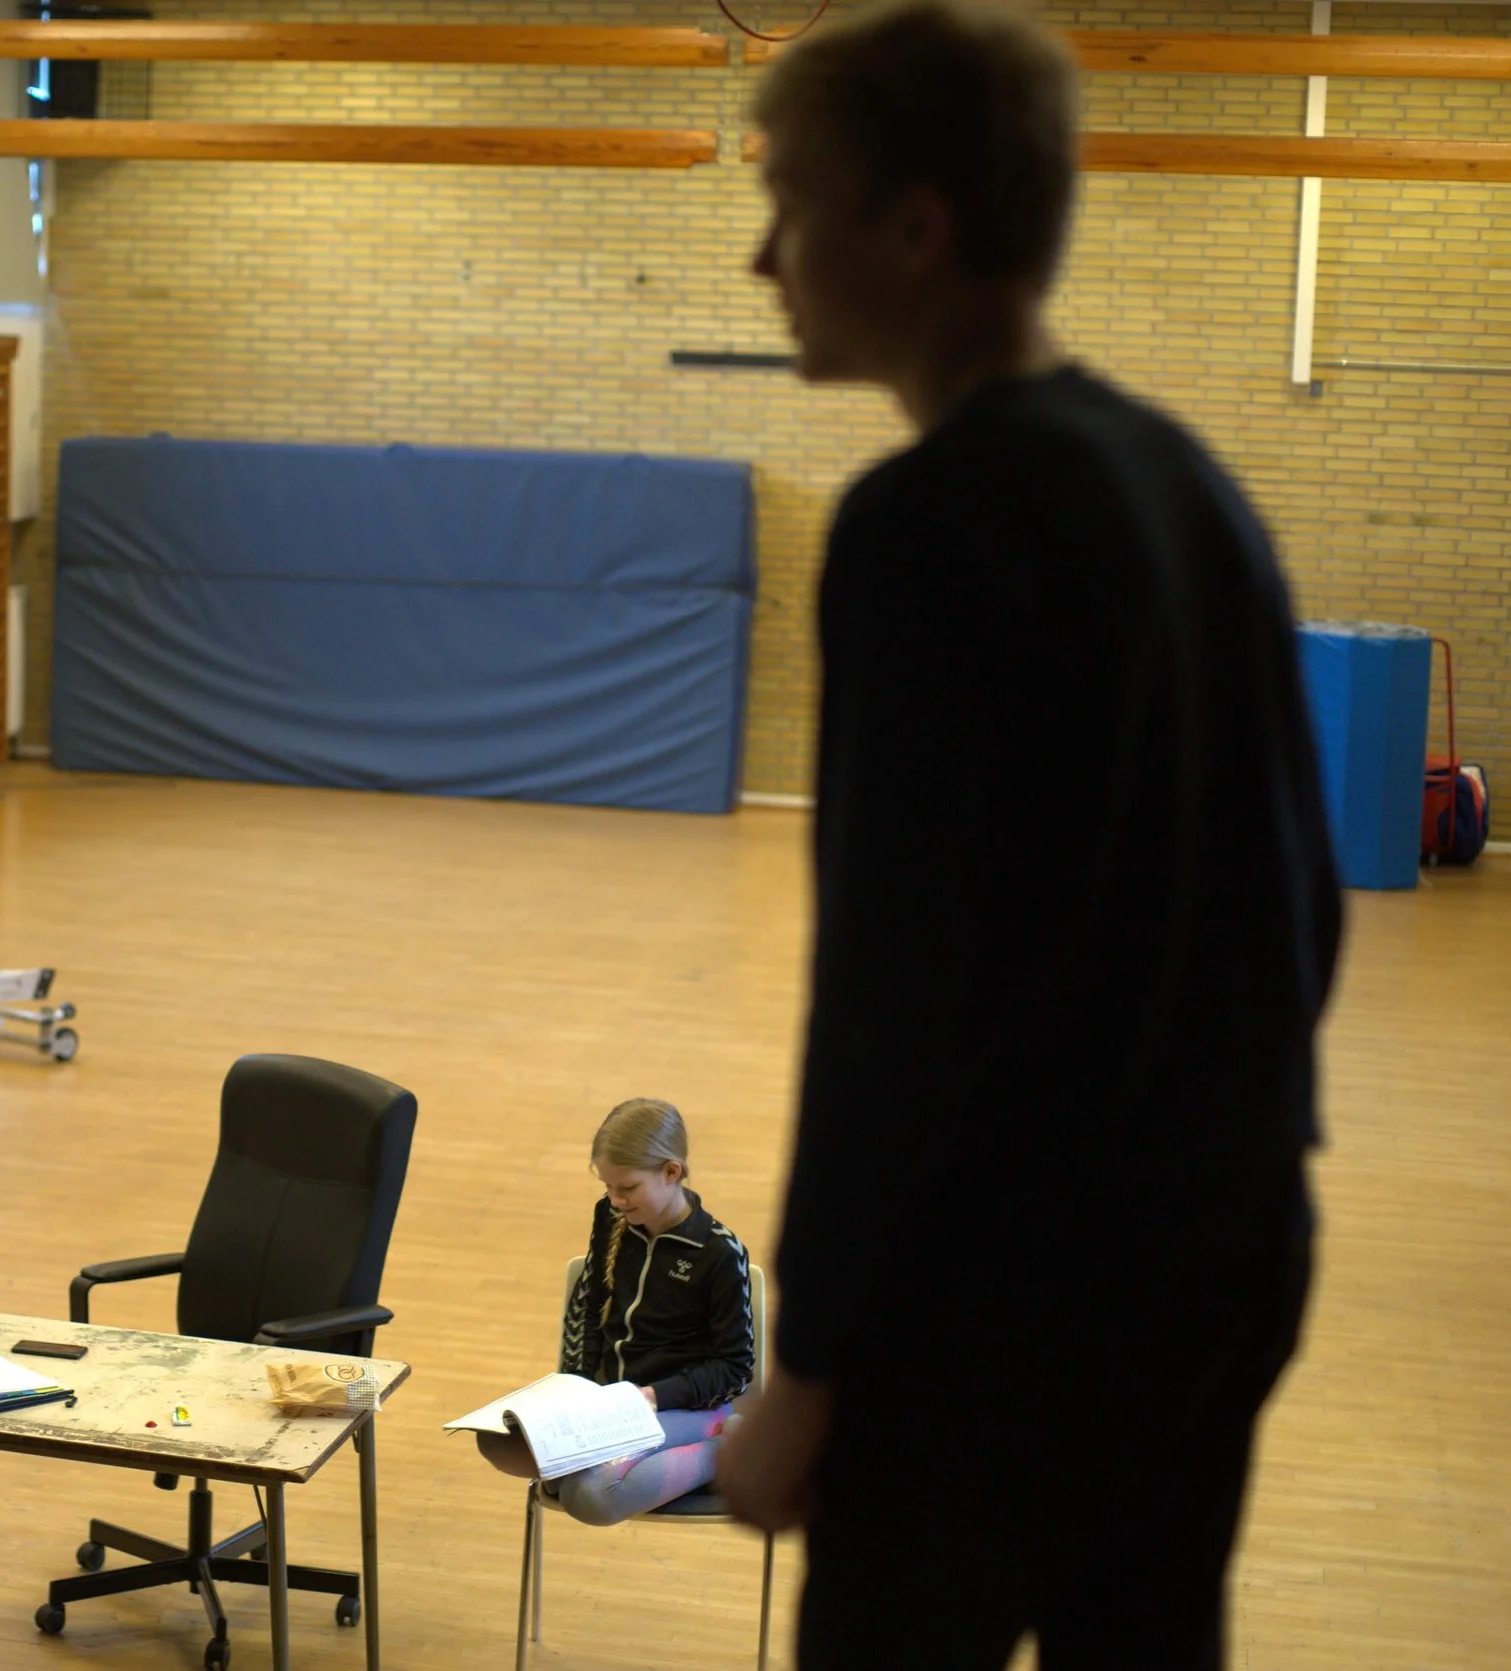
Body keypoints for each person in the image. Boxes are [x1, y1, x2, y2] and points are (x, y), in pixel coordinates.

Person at [713, 5, 1345, 1667]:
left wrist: (811, 1366)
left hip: (1005, 1312)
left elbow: (888, 1001)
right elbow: (1305, 909)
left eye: (792, 203)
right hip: (1227, 1253)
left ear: (916, 230)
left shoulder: (925, 525)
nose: (763, 258)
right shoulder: (1188, 479)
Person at [476, 1099, 753, 1524]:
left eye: (627, 1188)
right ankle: (618, 1464)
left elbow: (734, 1369)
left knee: (590, 1497)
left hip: (684, 1408)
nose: (616, 1200)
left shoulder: (718, 1252)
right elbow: (587, 1309)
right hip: (611, 1407)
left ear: (671, 1172)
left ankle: (730, 1452)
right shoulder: (610, 1216)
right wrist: (575, 1387)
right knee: (499, 1442)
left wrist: (654, 1396)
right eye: (607, 1186)